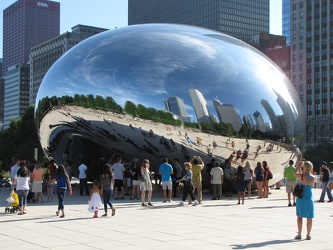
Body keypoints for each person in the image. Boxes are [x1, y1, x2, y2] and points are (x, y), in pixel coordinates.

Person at [294, 161, 316, 240]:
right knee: (309, 217)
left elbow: (294, 173)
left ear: (304, 167)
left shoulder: (301, 176)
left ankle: (299, 234)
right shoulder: (313, 177)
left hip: (301, 198)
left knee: (299, 217)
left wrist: (298, 166)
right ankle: (308, 234)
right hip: (309, 198)